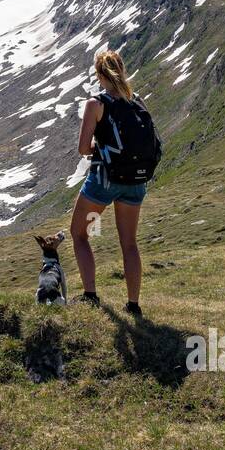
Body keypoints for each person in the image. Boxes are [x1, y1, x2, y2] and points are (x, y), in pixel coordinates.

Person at [70, 49, 146, 315]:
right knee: (129, 243)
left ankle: (90, 295)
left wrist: (100, 147)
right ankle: (133, 305)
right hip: (135, 181)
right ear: (122, 70)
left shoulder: (96, 103)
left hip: (104, 181)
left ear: (100, 74)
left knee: (79, 234)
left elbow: (83, 148)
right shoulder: (136, 101)